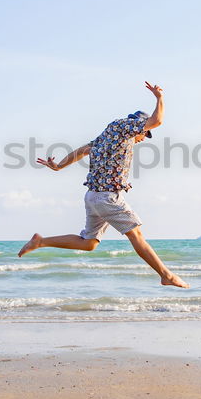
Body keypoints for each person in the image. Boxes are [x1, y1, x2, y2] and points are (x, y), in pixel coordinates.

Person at [17, 82, 190, 288]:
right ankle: (165, 275)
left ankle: (41, 241)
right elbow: (158, 120)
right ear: (137, 126)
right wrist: (159, 98)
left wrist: (59, 166)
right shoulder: (125, 126)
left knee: (89, 243)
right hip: (107, 197)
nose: (144, 138)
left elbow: (84, 149)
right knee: (136, 234)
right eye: (145, 134)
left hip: (93, 196)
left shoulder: (109, 134)